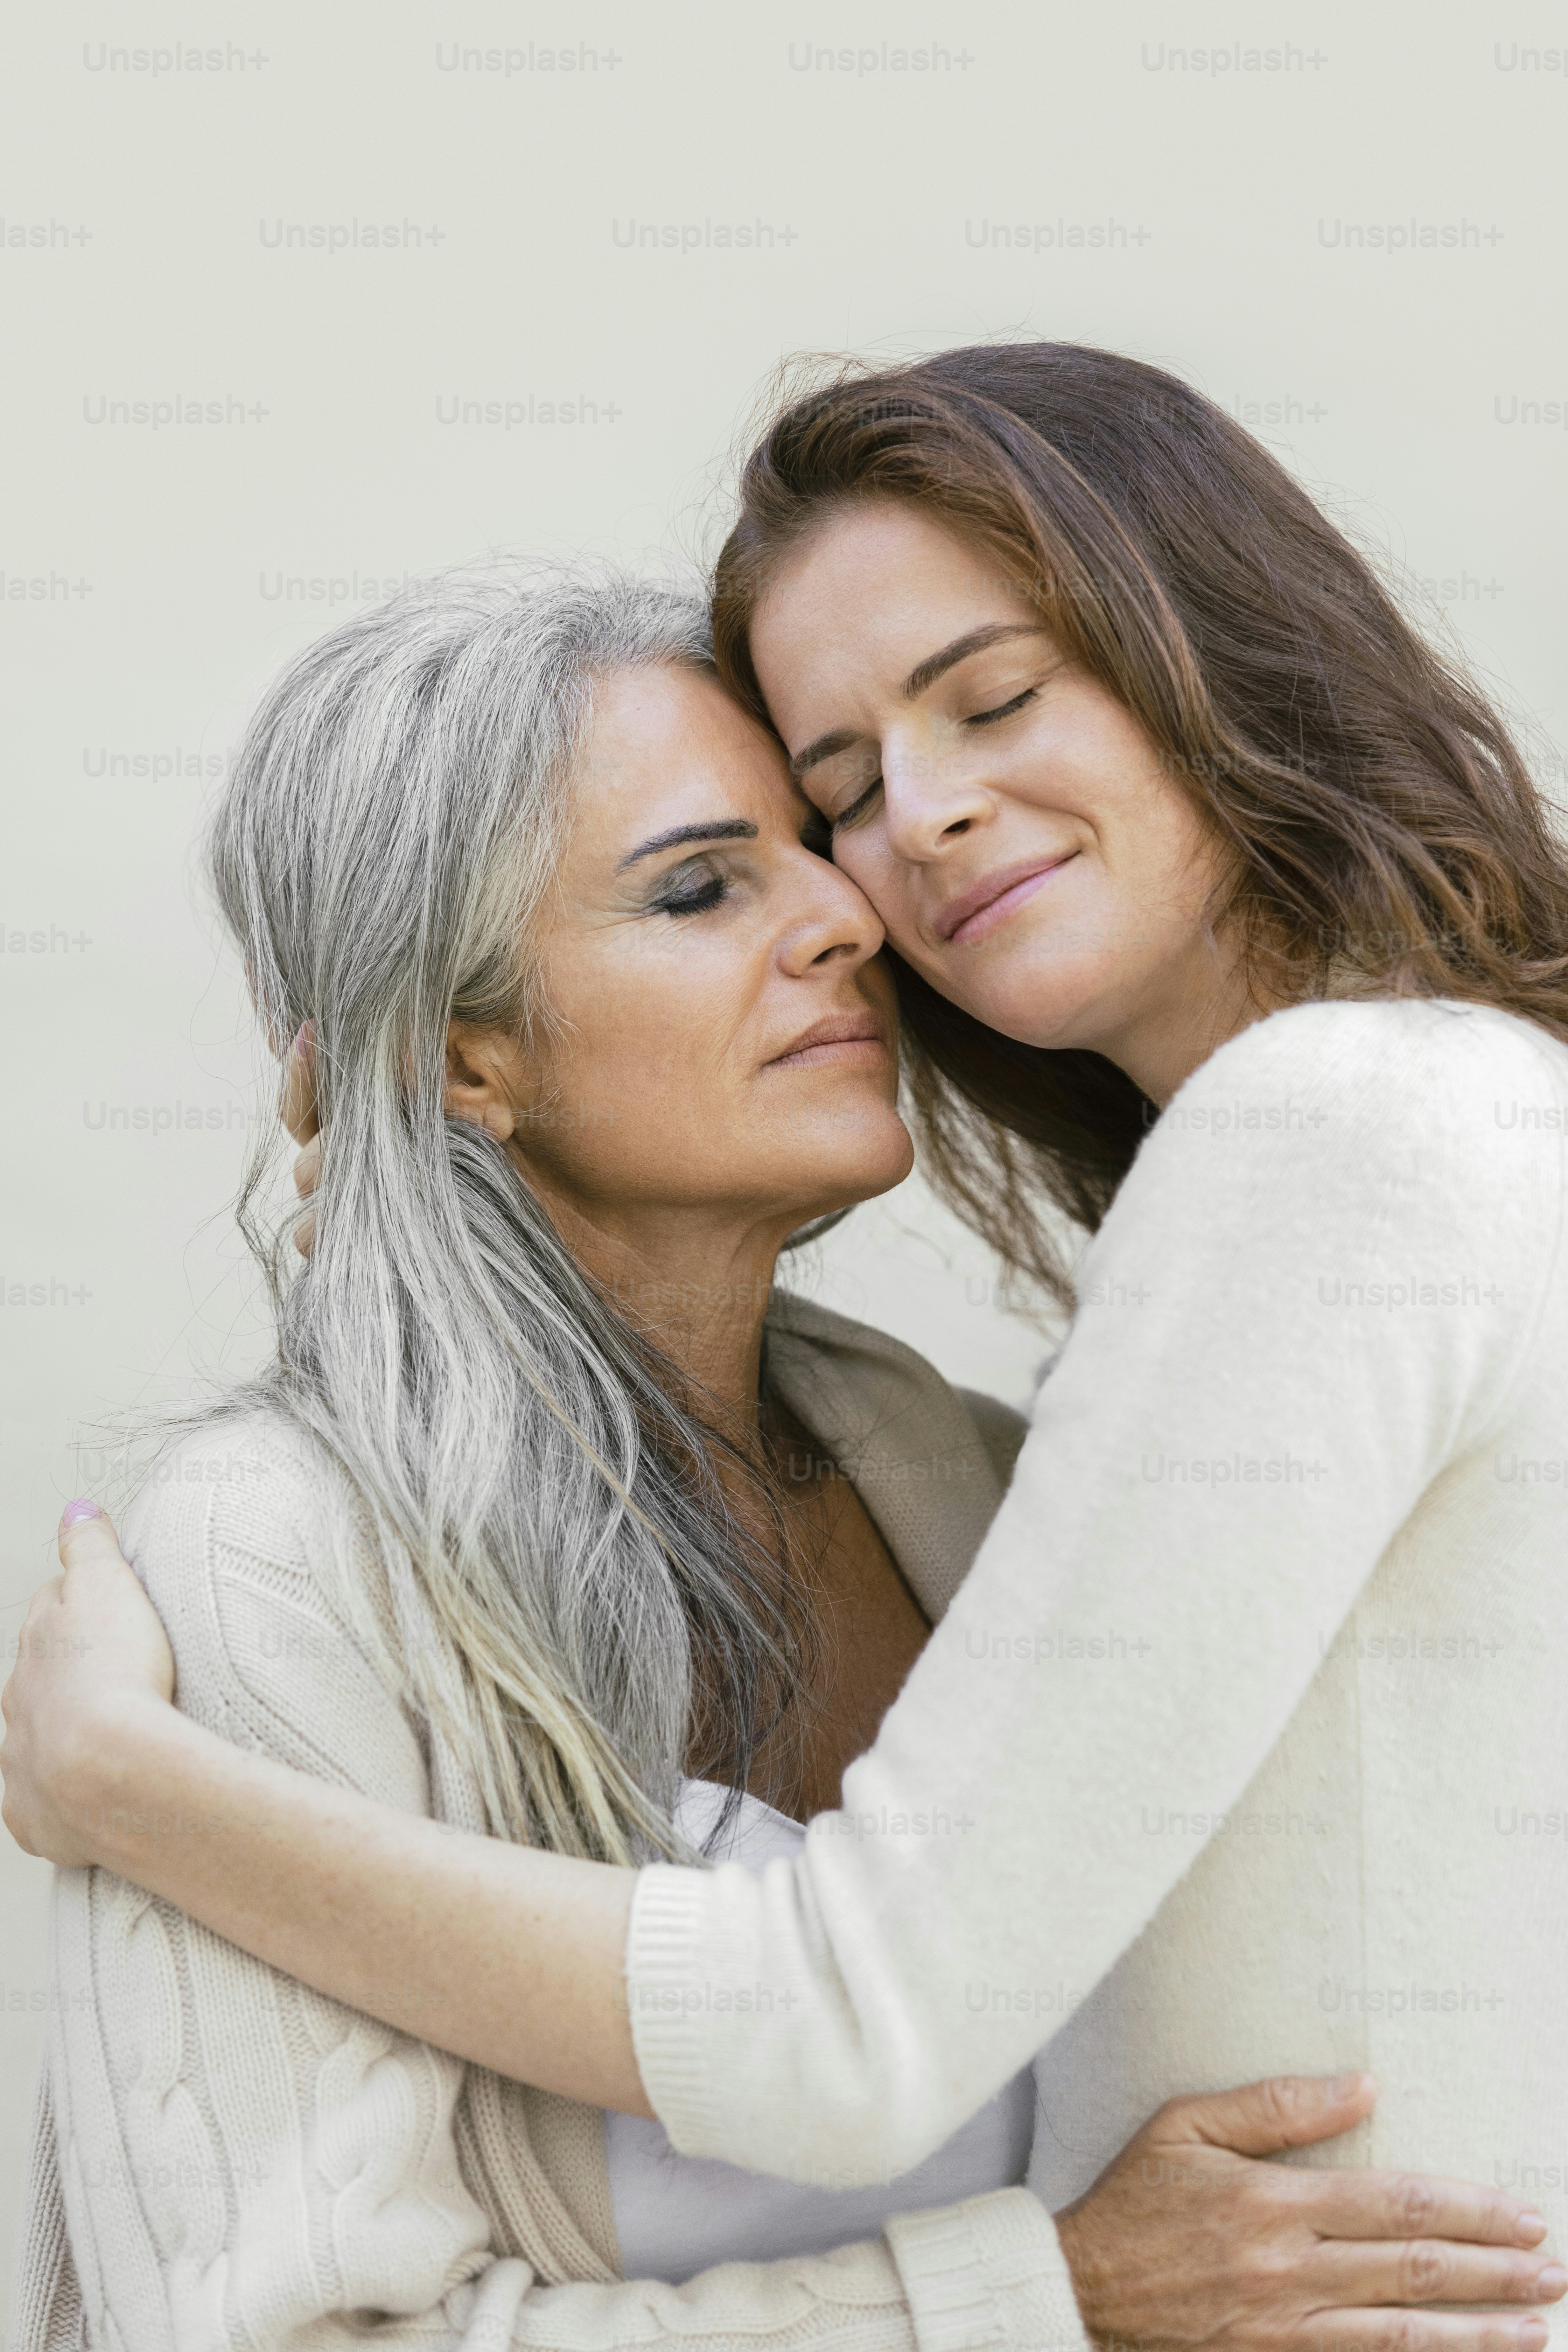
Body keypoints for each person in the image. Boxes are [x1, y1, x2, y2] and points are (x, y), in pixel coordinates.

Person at [8, 348, 1567, 2347]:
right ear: (460, 1058)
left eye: (989, 702)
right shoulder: (275, 1554)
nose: (860, 893)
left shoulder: (959, 1468)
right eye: (711, 877)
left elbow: (859, 2020)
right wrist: (1046, 2301)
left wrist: (125, 1789)